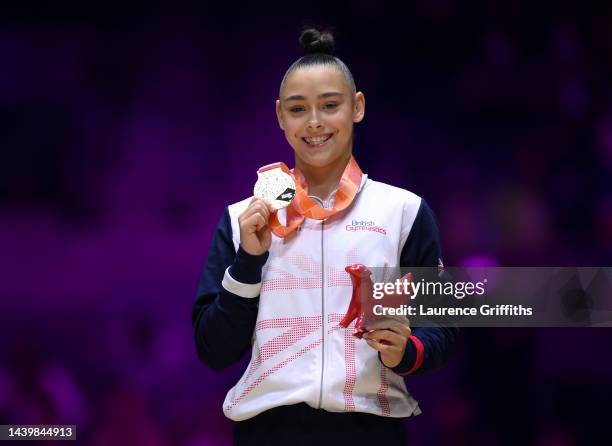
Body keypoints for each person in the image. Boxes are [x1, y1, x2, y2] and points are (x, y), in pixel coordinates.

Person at [192, 28, 458, 445]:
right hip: (267, 433)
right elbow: (213, 350)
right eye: (298, 109)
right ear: (280, 115)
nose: (314, 122)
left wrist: (405, 351)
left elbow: (441, 327)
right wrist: (248, 261)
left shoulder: (403, 212)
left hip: (370, 431)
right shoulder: (244, 220)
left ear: (358, 107)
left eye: (330, 105)